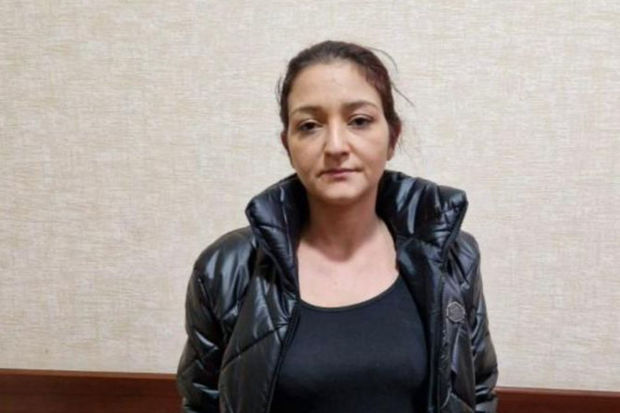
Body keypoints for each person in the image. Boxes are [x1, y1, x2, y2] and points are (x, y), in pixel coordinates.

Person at [176, 40, 498, 413]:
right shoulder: (226, 268)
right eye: (309, 125)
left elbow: (477, 392)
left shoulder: (453, 256)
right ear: (288, 145)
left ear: (392, 137)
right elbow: (201, 403)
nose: (335, 145)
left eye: (359, 121)